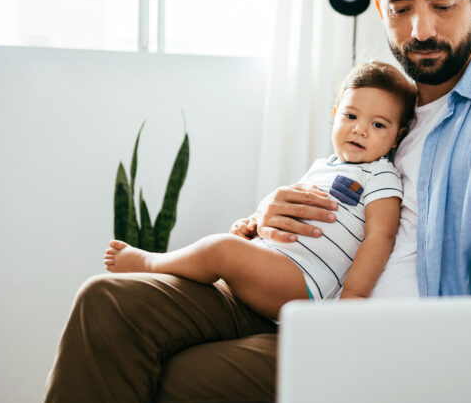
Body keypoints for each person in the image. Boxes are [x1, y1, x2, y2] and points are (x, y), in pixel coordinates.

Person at [44, 0, 471, 403]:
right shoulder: (386, 103)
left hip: (376, 345)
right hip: (290, 293)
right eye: (402, 8)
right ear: (380, 8)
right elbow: (339, 195)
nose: (421, 30)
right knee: (106, 302)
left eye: (443, 5)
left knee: (181, 377)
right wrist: (270, 211)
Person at [102, 61, 416, 316]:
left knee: (220, 250)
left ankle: (151, 263)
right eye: (350, 116)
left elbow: (380, 237)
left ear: (397, 135)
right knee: (229, 250)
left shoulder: (381, 175)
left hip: (303, 283)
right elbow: (287, 213)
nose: (360, 128)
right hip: (277, 264)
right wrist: (253, 225)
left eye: (378, 125)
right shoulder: (322, 165)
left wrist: (354, 296)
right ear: (335, 116)